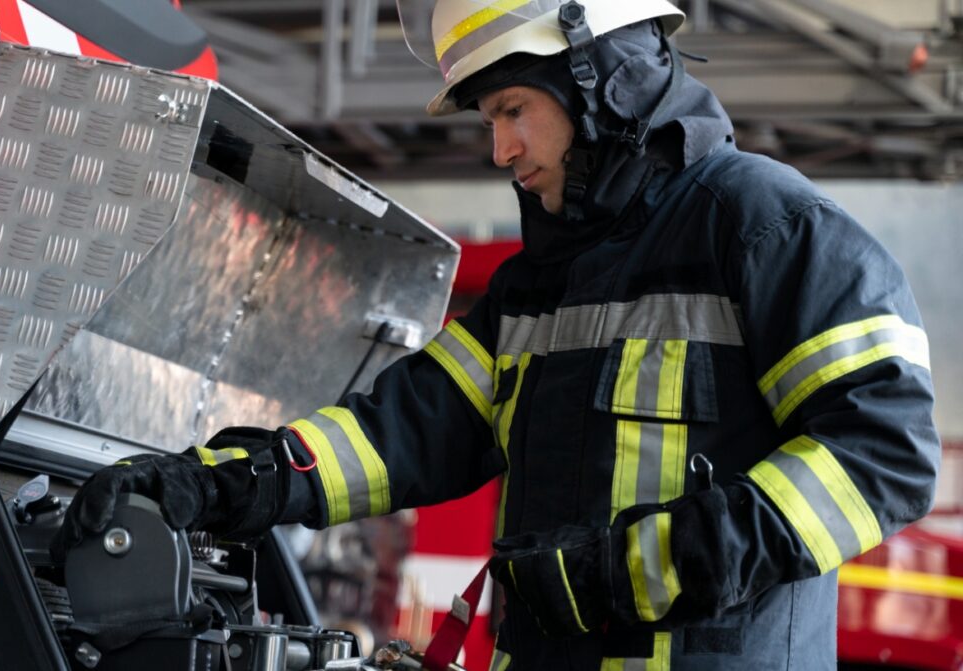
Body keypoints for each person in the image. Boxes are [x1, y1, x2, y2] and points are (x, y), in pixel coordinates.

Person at [54, 1, 940, 669]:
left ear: (602, 76)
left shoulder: (764, 228)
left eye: (514, 108)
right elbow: (399, 430)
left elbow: (883, 450)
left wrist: (630, 570)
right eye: (489, 121)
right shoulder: (538, 286)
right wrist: (213, 484)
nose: (501, 149)